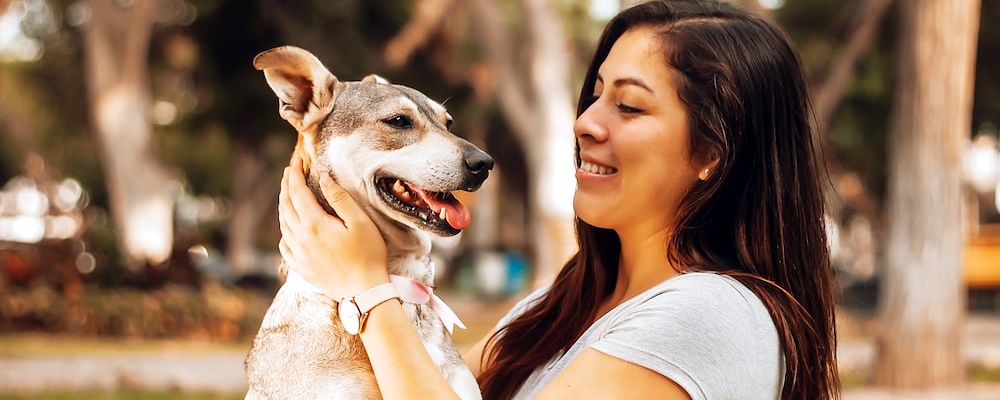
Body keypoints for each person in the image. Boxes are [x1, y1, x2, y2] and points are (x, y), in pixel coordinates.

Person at [276, 0, 840, 399]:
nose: (585, 123)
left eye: (630, 106)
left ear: (713, 152)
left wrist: (366, 289)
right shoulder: (555, 308)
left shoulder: (709, 316)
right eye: (594, 95)